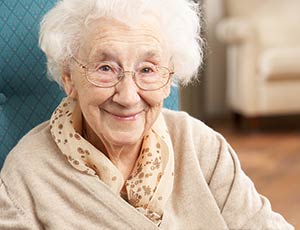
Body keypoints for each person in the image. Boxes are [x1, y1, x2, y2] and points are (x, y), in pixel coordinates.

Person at [0, 0, 294, 229]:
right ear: (68, 77)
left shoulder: (202, 147)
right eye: (105, 68)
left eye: (148, 70)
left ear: (169, 78)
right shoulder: (27, 176)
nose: (128, 97)